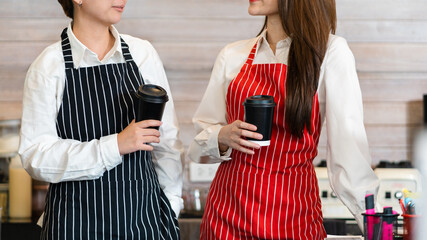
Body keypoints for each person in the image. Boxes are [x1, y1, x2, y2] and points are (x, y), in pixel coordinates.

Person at [187, 0, 379, 239]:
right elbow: (197, 149)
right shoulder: (232, 55)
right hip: (227, 217)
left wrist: (377, 228)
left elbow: (349, 157)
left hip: (293, 218)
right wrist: (221, 136)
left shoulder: (331, 51)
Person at [18, 0, 182, 239]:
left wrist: (170, 208)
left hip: (145, 224)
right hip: (73, 225)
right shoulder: (48, 66)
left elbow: (166, 142)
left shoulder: (142, 53)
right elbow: (36, 155)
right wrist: (115, 145)